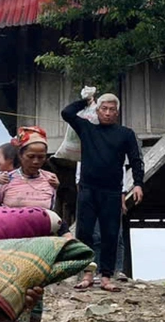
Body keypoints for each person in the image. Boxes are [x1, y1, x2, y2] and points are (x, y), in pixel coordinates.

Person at [0, 126, 60, 322]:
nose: (36, 161)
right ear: (20, 155)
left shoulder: (50, 181)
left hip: (38, 248)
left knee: (35, 297)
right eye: (31, 156)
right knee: (5, 293)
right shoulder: (7, 180)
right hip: (8, 246)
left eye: (41, 157)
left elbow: (52, 214)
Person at [62, 92, 144, 292]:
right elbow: (67, 113)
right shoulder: (87, 128)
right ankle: (88, 274)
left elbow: (136, 159)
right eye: (104, 109)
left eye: (111, 110)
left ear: (117, 113)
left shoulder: (126, 134)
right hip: (88, 189)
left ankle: (106, 276)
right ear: (97, 111)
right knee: (85, 232)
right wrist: (86, 101)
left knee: (110, 233)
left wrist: (138, 184)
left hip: (112, 191)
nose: (107, 113)